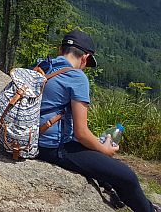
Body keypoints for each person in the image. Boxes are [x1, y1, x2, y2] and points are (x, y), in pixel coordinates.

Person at [37, 30, 159, 212]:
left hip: (30, 137)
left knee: (97, 157)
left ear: (60, 49)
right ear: (85, 57)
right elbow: (81, 133)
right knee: (128, 176)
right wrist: (104, 149)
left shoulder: (42, 65)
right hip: (51, 147)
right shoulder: (77, 77)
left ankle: (110, 188)